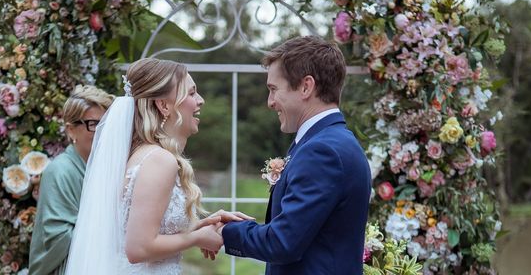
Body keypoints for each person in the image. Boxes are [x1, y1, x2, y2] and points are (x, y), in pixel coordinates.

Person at [65, 58, 252, 274]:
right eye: (191, 93)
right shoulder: (159, 160)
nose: (200, 101)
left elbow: (138, 231)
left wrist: (198, 226)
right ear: (163, 105)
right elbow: (138, 248)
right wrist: (196, 238)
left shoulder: (140, 155)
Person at [221, 36, 372, 274]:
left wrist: (224, 233)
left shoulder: (323, 151)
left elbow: (283, 242)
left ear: (305, 86)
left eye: (273, 89)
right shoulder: (329, 141)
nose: (270, 102)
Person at [29, 85, 115, 275]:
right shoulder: (60, 171)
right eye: (93, 124)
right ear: (71, 130)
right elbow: (59, 237)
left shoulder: (108, 168)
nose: (102, 132)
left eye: (106, 125)